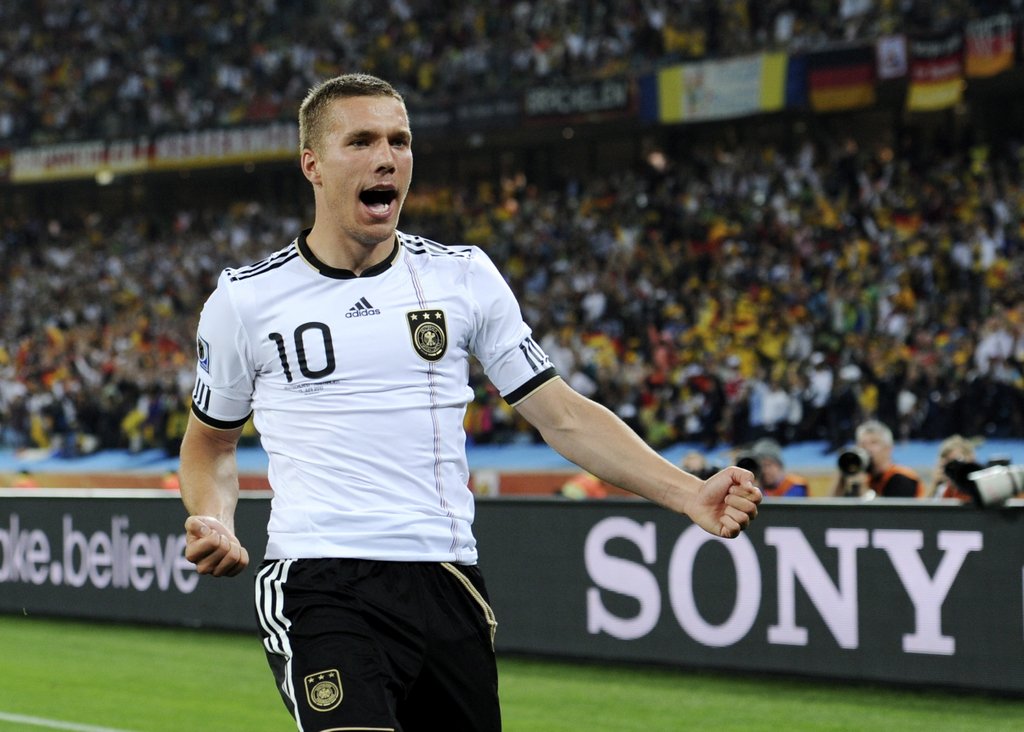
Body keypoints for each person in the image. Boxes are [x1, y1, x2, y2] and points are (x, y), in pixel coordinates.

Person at [178, 73, 762, 732]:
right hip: (320, 579)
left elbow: (563, 416)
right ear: (312, 164)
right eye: (362, 141)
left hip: (446, 580)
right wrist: (214, 518)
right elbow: (211, 443)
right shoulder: (245, 300)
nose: (386, 158)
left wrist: (688, 493)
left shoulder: (462, 276)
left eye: (399, 141)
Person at [832, 419, 926, 498]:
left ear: (888, 448)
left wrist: (863, 489)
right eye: (862, 444)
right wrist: (841, 479)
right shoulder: (864, 476)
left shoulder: (902, 478)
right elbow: (832, 509)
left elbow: (889, 512)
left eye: (874, 443)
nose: (867, 448)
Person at [930, 434, 978, 501]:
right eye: (948, 466)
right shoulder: (942, 489)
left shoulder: (978, 488)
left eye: (956, 463)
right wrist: (935, 484)